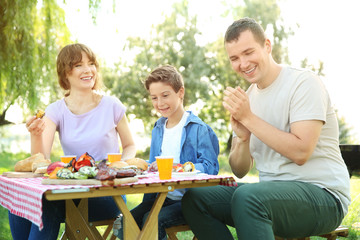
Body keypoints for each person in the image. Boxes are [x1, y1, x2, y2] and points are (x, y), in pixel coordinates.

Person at [181, 17, 351, 240]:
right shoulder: (248, 98)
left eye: (249, 52)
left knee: (248, 197)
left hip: (324, 197)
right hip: (270, 197)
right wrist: (242, 139)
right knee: (196, 198)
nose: (243, 63)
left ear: (267, 46)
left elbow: (301, 152)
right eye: (235, 58)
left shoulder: (304, 83)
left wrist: (249, 119)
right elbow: (240, 170)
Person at [8, 43, 137, 240]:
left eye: (91, 63)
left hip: (107, 193)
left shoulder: (112, 105)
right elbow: (40, 159)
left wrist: (121, 164)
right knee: (19, 201)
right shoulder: (56, 110)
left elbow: (130, 145)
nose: (88, 70)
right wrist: (35, 134)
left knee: (46, 204)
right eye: (78, 65)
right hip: (70, 190)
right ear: (65, 73)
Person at [113, 64, 220, 240]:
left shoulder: (199, 129)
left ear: (180, 92)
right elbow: (155, 168)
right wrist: (144, 167)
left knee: (152, 220)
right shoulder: (158, 128)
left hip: (190, 201)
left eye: (165, 95)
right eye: (154, 98)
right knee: (124, 222)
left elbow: (211, 168)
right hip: (161, 198)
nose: (160, 103)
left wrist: (178, 167)